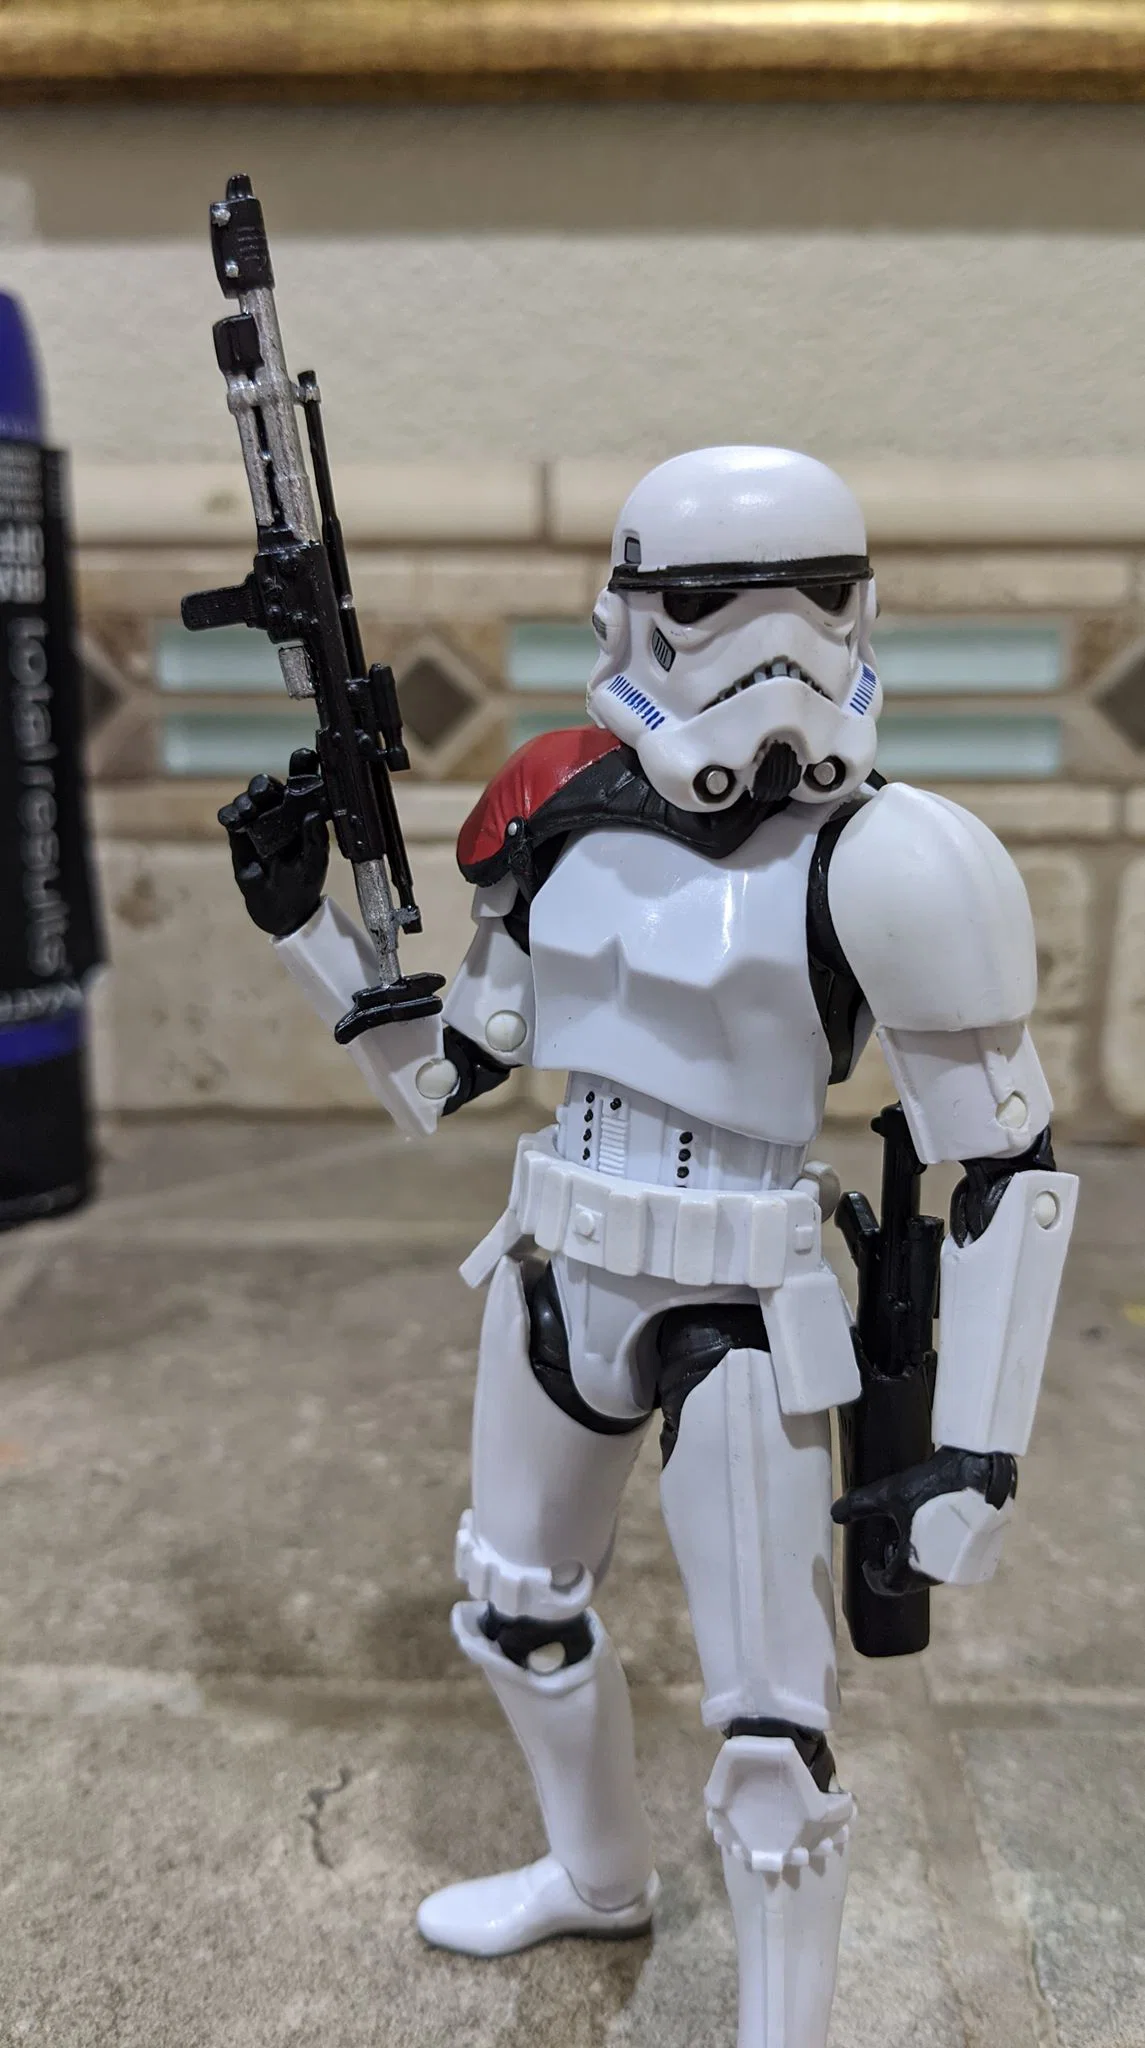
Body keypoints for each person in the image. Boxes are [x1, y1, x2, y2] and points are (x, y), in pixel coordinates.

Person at [220, 446, 1077, 2048]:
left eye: (813, 598)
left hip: (742, 1305)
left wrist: (973, 1458)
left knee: (770, 1735)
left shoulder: (891, 858)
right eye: (710, 602)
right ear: (629, 617)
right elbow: (441, 1078)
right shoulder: (549, 815)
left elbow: (1010, 1171)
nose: (772, 646)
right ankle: (596, 1876)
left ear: (863, 608)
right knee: (513, 1608)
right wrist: (302, 928)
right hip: (555, 1268)